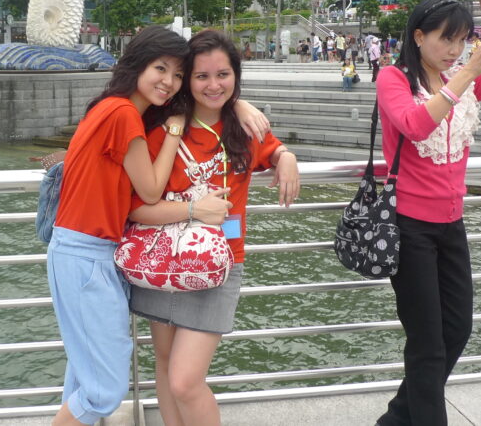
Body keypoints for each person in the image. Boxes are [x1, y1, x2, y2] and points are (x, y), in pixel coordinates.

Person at [47, 26, 268, 426]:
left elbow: (227, 110)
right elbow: (148, 194)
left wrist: (241, 108)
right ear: (136, 65)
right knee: (103, 391)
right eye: (160, 69)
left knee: (86, 377)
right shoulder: (123, 114)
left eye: (178, 74)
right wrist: (176, 133)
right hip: (88, 253)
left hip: (94, 251)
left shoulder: (119, 110)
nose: (169, 82)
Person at [374, 0, 481, 426]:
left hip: (451, 224)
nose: (454, 49)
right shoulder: (394, 79)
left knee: (458, 329)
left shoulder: (458, 80)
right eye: (446, 39)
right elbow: (413, 123)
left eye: (462, 40)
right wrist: (466, 72)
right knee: (427, 344)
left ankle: (395, 419)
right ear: (419, 37)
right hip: (408, 227)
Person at [127, 29, 299, 426]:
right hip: (163, 258)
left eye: (223, 74)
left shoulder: (246, 128)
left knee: (186, 381)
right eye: (201, 76)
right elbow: (136, 206)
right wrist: (193, 210)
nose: (213, 84)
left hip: (221, 263)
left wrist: (286, 156)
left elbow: (272, 149)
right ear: (187, 80)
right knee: (166, 366)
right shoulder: (164, 131)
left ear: (236, 76)